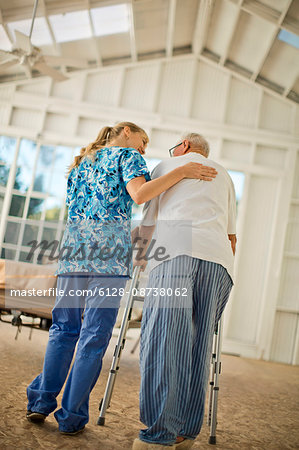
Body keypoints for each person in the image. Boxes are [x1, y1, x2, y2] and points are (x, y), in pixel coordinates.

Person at [26, 122, 218, 435]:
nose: (144, 150)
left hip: (74, 250)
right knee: (94, 335)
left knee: (63, 329)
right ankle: (71, 416)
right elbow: (140, 195)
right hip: (108, 256)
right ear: (126, 131)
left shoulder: (80, 163)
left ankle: (39, 402)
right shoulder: (127, 157)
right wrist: (182, 172)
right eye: (143, 142)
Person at [133, 133, 237, 449]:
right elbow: (232, 237)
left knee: (164, 339)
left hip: (177, 248)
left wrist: (140, 259)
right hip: (219, 261)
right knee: (198, 343)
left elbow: (147, 223)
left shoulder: (167, 164)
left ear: (185, 146)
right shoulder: (226, 176)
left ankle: (159, 435)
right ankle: (185, 433)